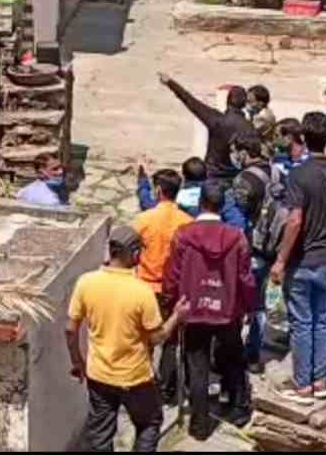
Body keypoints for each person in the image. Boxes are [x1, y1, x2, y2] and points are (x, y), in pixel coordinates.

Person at [66, 226, 191, 452]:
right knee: (149, 423)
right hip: (136, 378)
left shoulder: (86, 282)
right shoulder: (141, 292)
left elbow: (70, 330)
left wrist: (78, 362)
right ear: (134, 254)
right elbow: (157, 338)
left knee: (100, 436)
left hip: (99, 376)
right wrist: (177, 316)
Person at [269, 111, 326, 406]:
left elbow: (295, 220)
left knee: (301, 324)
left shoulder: (299, 175)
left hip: (300, 262)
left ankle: (302, 387)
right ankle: (320, 383)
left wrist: (280, 261)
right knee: (322, 322)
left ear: (304, 139)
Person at [163, 181, 257, 439]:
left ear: (200, 202)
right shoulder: (236, 236)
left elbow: (173, 274)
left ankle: (199, 424)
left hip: (192, 309)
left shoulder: (183, 235)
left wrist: (171, 303)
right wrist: (249, 305)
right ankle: (238, 409)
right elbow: (245, 277)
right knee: (234, 359)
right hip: (227, 310)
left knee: (198, 365)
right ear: (221, 204)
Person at [131, 168, 194, 407]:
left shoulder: (143, 220)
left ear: (158, 190)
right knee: (170, 340)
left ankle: (141, 384)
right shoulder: (187, 222)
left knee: (142, 339)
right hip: (172, 290)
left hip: (145, 287)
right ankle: (167, 390)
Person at [224, 129, 275, 374]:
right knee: (259, 304)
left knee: (238, 302)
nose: (234, 156)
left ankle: (233, 354)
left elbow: (239, 220)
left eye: (236, 152)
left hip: (251, 248)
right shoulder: (276, 171)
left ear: (244, 153)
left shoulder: (244, 179)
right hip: (270, 248)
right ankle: (254, 355)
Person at [158, 73, 255, 181]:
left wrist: (170, 83)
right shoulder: (249, 126)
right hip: (235, 177)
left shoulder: (216, 119)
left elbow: (189, 100)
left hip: (212, 176)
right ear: (244, 104)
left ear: (227, 101)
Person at [136, 157, 207, 217]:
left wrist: (142, 175)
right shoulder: (213, 197)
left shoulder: (180, 198)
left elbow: (146, 203)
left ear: (184, 177)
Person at [247, 85, 278, 157]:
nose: (247, 104)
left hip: (262, 153)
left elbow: (248, 131)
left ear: (260, 103)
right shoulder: (266, 111)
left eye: (250, 101)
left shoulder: (262, 117)